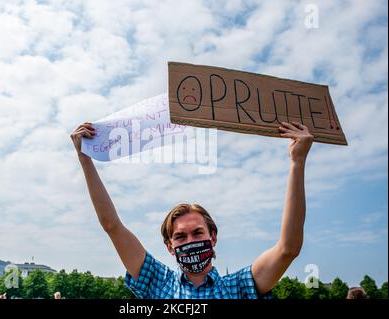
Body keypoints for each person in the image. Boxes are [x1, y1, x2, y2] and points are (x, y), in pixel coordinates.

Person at [70, 120, 314, 298]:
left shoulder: (240, 287)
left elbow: (288, 249)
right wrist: (85, 160)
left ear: (213, 237)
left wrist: (297, 162)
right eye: (180, 236)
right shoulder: (156, 281)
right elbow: (112, 226)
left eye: (197, 233)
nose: (190, 240)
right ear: (169, 246)